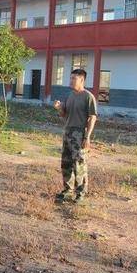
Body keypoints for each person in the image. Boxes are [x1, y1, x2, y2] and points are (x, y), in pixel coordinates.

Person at [54, 69, 98, 204]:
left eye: (74, 78)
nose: (71, 80)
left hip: (79, 133)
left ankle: (80, 193)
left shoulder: (88, 97)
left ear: (82, 80)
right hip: (67, 131)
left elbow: (92, 118)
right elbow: (63, 114)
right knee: (66, 163)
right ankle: (67, 190)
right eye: (71, 78)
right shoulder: (70, 96)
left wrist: (87, 137)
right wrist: (59, 108)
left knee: (79, 164)